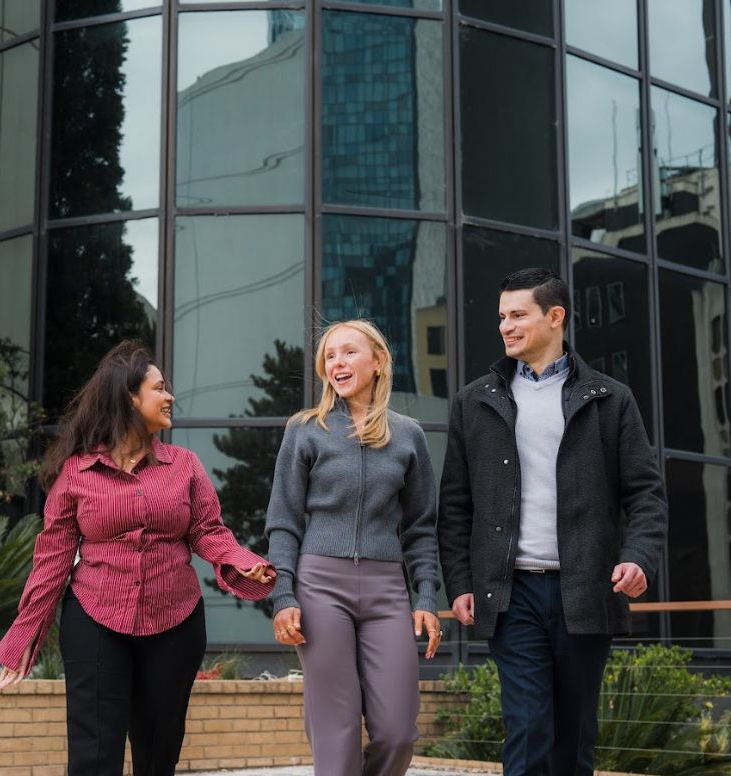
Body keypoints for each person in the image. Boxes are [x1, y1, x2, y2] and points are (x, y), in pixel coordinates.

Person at [0, 340, 275, 776]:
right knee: (94, 754)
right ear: (130, 398)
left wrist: (240, 561)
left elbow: (208, 530)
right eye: (160, 388)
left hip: (175, 620)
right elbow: (52, 560)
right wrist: (22, 638)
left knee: (158, 754)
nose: (170, 397)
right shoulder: (77, 472)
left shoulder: (184, 465)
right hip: (94, 616)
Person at [438, 268, 668, 776]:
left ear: (555, 316)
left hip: (585, 592)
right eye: (502, 316)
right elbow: (455, 506)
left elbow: (646, 495)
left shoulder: (611, 399)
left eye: (518, 314)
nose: (506, 326)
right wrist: (459, 583)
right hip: (510, 593)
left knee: (574, 737)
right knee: (527, 727)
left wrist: (639, 558)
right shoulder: (474, 402)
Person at [264, 319, 442, 776]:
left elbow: (421, 526)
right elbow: (283, 522)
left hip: (386, 590)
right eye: (329, 356)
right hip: (320, 586)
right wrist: (283, 594)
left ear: (379, 361)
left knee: (397, 733)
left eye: (349, 352)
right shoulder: (305, 431)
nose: (337, 363)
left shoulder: (408, 436)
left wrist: (426, 595)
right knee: (336, 736)